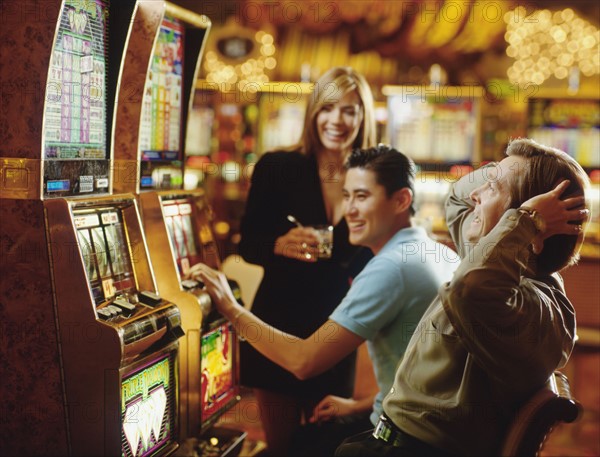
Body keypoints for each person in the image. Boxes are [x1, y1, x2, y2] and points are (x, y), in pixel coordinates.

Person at [192, 145, 460, 455]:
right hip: (426, 427)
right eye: (346, 196)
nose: (350, 210)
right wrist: (359, 405)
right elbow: (417, 367)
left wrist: (230, 307)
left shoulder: (391, 268)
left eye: (362, 197)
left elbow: (303, 361)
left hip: (400, 441)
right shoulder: (434, 250)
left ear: (401, 200)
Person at [334, 138, 591, 457]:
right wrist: (506, 171)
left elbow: (467, 291)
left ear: (530, 227)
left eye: (492, 188)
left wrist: (528, 218)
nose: (475, 194)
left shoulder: (527, 303)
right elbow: (456, 198)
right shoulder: (502, 266)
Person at [232, 66, 378, 454]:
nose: (337, 120)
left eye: (350, 110)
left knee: (326, 444)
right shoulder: (277, 167)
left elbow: (374, 257)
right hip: (277, 322)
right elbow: (247, 244)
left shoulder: (372, 178)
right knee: (281, 448)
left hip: (337, 330)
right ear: (313, 112)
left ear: (364, 117)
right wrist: (278, 244)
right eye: (328, 107)